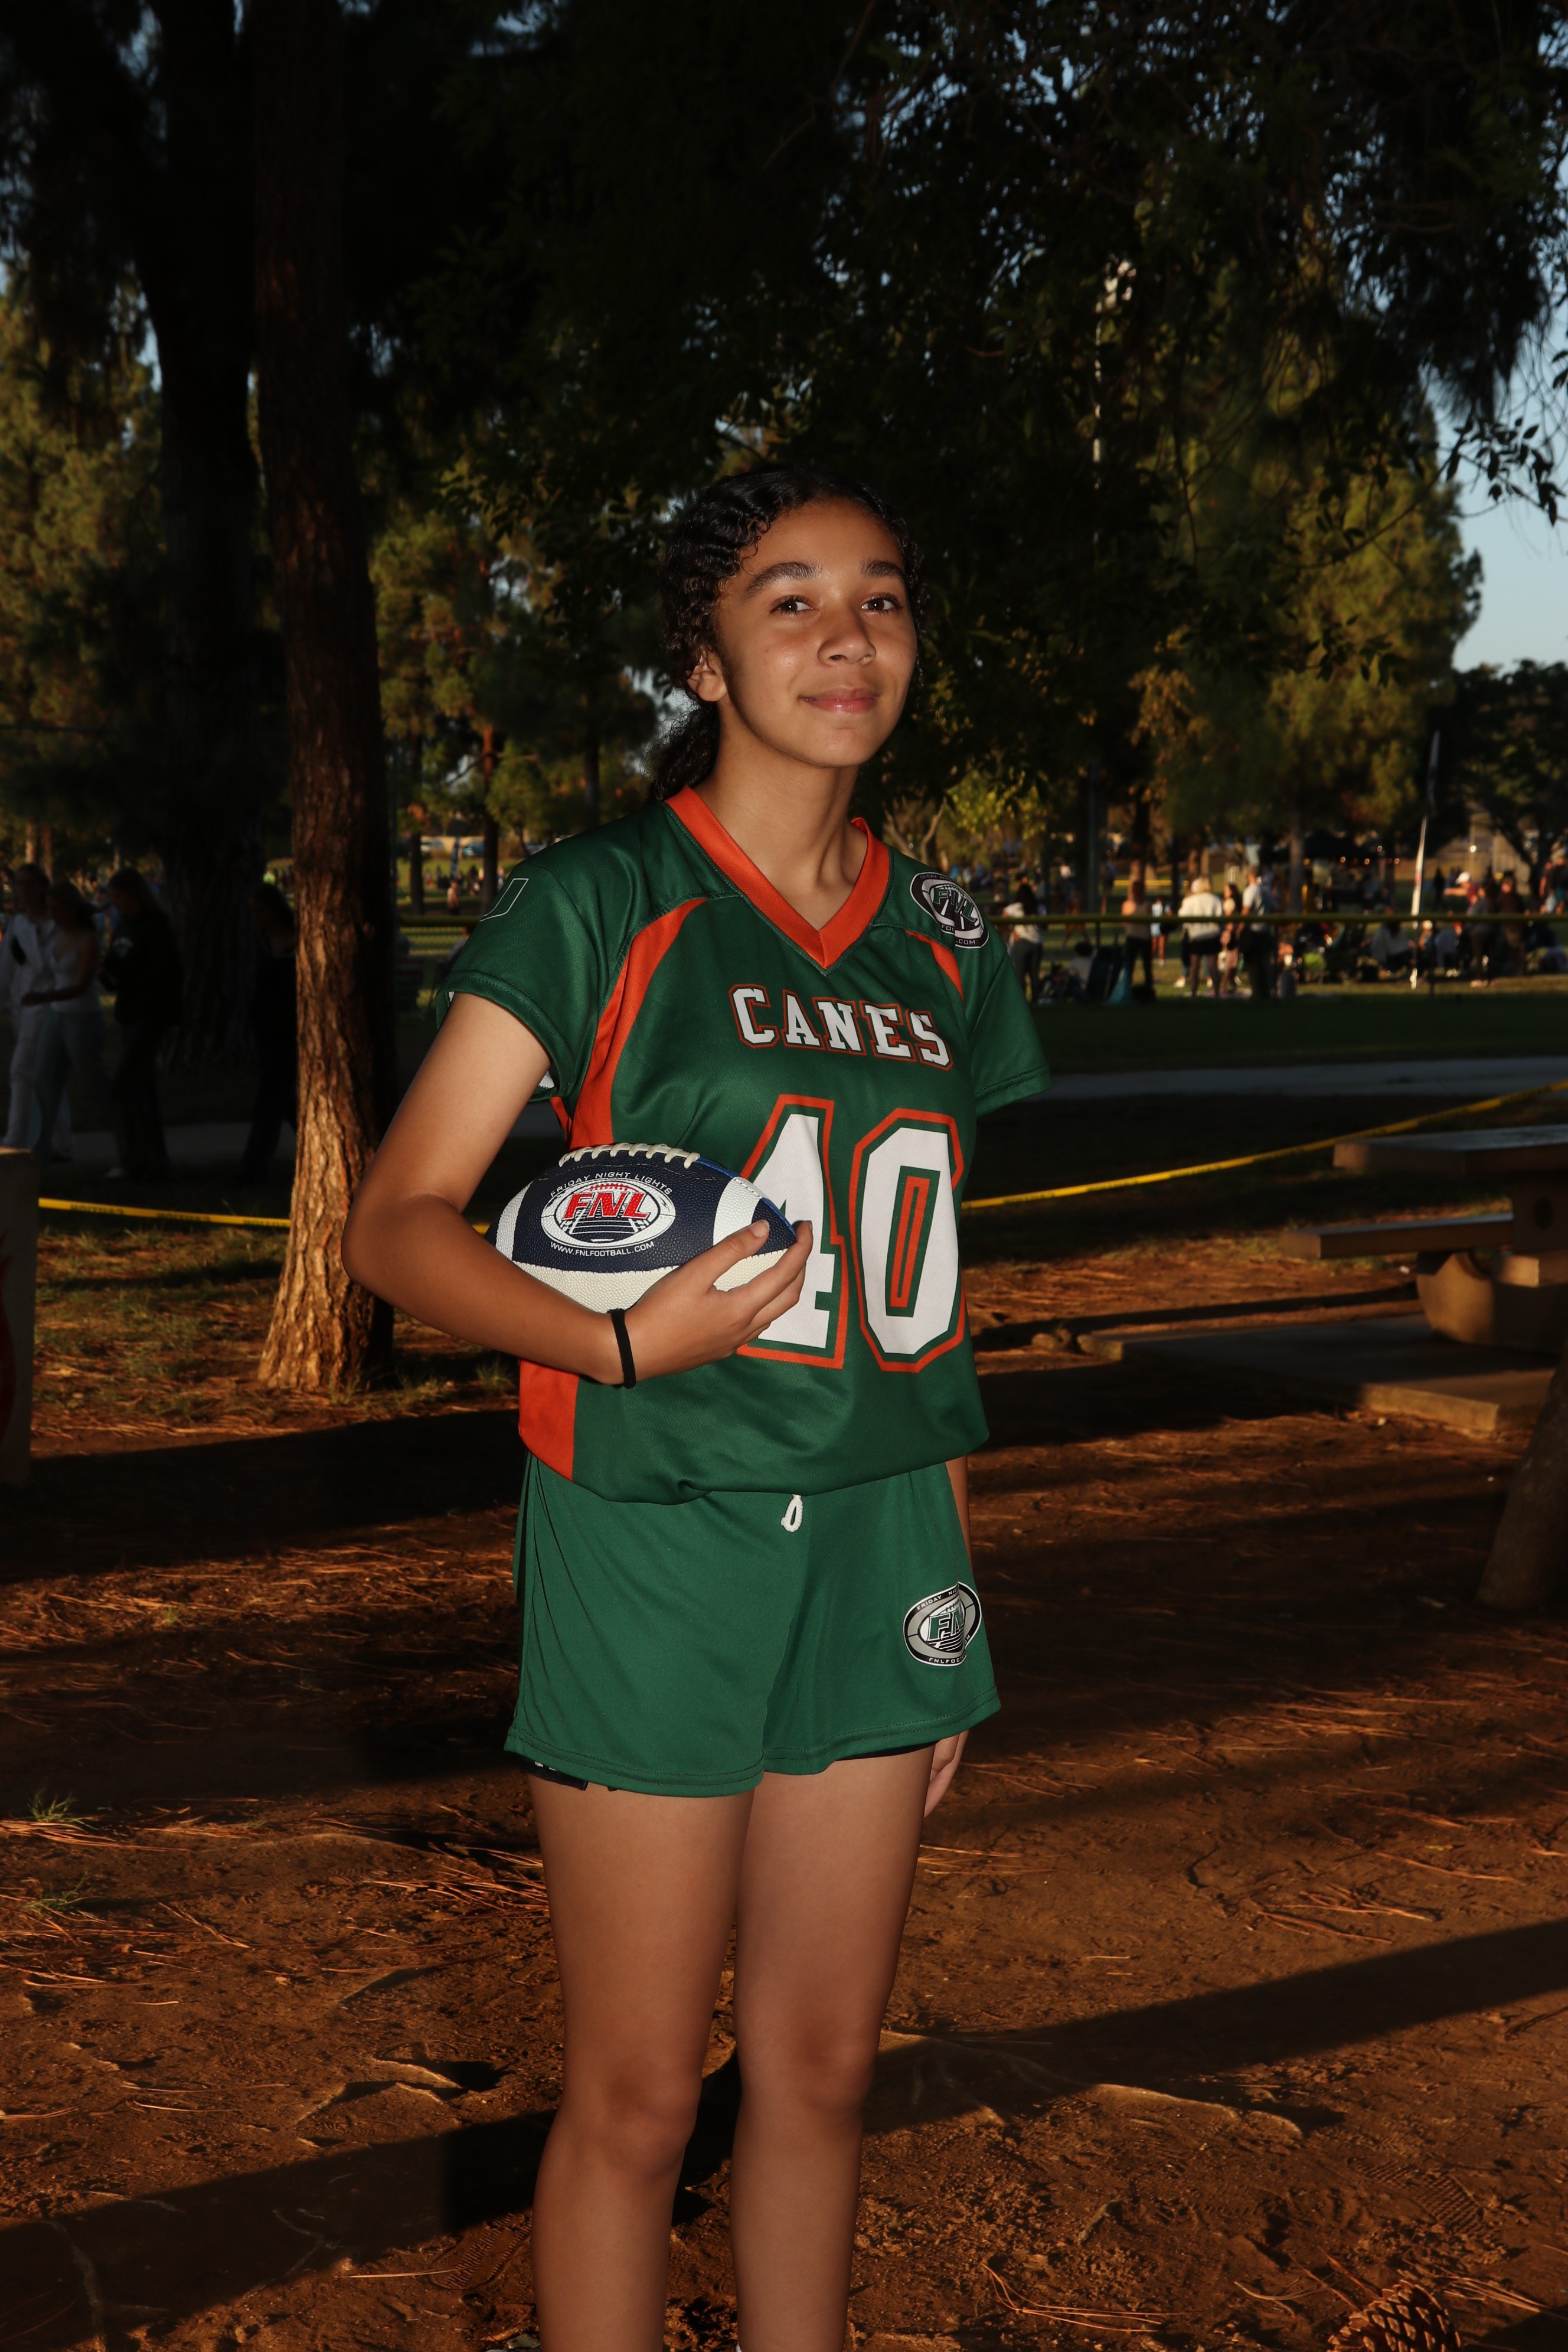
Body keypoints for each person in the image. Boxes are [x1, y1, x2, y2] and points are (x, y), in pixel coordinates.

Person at [341, 466, 1048, 2352]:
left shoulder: (953, 935)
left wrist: (954, 1594)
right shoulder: (603, 899)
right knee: (645, 2094)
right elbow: (397, 1225)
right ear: (707, 656)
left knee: (823, 2070)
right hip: (656, 1530)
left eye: (881, 596)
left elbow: (924, 1300)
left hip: (884, 1541)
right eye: (789, 598)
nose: (847, 636)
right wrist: (615, 1343)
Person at [99, 868, 182, 1180]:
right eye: (113, 897)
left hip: (150, 1014)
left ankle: (136, 1157)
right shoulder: (123, 927)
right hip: (129, 1013)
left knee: (126, 1084)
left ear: (134, 896)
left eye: (119, 897)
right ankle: (153, 1161)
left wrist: (130, 978)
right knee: (142, 1087)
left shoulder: (154, 928)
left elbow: (162, 974)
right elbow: (115, 969)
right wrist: (105, 969)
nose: (116, 903)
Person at [26, 880, 112, 1171]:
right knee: (42, 1080)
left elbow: (80, 986)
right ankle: (37, 1153)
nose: (53, 915)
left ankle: (129, 1142)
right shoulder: (59, 936)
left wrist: (43, 997)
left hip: (82, 1018)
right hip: (56, 1016)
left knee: (94, 1083)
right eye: (50, 909)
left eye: (58, 909)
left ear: (72, 907)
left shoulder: (88, 940)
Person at [2, 863, 71, 1159]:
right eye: (19, 884)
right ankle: (60, 1141)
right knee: (47, 1074)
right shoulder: (19, 924)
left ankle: (15, 1139)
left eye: (29, 884)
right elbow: (6, 968)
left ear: (43, 886)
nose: (23, 890)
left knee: (21, 1070)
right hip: (24, 1005)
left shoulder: (60, 924)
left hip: (50, 1003)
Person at [237, 882, 298, 1183]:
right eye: (252, 912)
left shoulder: (296, 943)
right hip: (265, 1026)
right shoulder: (260, 943)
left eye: (260, 911)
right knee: (281, 1097)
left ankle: (253, 1166)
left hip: (289, 1027)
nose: (256, 918)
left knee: (271, 1097)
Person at [1179, 868, 1222, 995]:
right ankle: (1217, 994)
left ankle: (1194, 994)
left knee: (1195, 966)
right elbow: (1221, 917)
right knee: (1213, 966)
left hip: (1196, 936)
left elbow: (1182, 916)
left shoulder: (1190, 901)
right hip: (1213, 935)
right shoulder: (1216, 899)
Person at [1240, 864, 1275, 998]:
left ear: (1249, 876)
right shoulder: (1266, 890)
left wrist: (1239, 929)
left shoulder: (1251, 891)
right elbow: (1273, 909)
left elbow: (1246, 911)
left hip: (1253, 931)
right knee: (1265, 963)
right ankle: (1267, 991)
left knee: (1254, 964)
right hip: (1265, 930)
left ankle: (1257, 992)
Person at [1121, 875, 1154, 1000]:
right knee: (1139, 965)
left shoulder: (1144, 904)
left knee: (1138, 965)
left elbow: (1125, 922)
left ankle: (1138, 989)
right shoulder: (1133, 904)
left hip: (1139, 937)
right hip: (1139, 937)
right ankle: (1135, 988)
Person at [1001, 899, 1043, 1001]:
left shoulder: (1015, 907)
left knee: (1020, 975)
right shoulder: (1039, 908)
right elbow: (1045, 926)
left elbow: (1004, 918)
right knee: (1034, 976)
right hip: (1037, 942)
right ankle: (1035, 1001)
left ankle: (1021, 1002)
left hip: (1021, 942)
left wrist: (1012, 930)